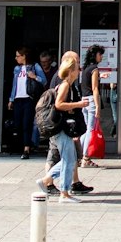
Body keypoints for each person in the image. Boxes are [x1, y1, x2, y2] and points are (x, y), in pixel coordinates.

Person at [37, 55, 89, 202]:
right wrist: (78, 105)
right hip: (61, 128)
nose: (79, 70)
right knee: (69, 159)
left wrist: (73, 107)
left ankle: (48, 179)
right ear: (71, 70)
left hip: (63, 126)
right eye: (77, 68)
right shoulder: (65, 84)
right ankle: (64, 193)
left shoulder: (69, 85)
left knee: (71, 159)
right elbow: (59, 104)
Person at [8, 47, 47, 158]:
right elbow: (14, 85)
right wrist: (11, 99)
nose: (16, 58)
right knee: (18, 124)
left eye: (18, 56)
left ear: (24, 56)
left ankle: (26, 148)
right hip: (18, 98)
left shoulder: (34, 66)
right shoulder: (16, 69)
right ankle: (22, 145)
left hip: (29, 98)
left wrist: (34, 77)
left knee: (27, 123)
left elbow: (44, 80)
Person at [81, 45, 108, 168]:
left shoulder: (86, 68)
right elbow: (95, 88)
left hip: (84, 100)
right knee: (91, 130)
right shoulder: (94, 69)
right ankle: (86, 158)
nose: (101, 57)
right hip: (91, 100)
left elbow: (88, 83)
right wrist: (97, 106)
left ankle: (79, 155)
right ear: (95, 55)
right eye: (100, 54)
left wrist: (100, 76)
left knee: (87, 130)